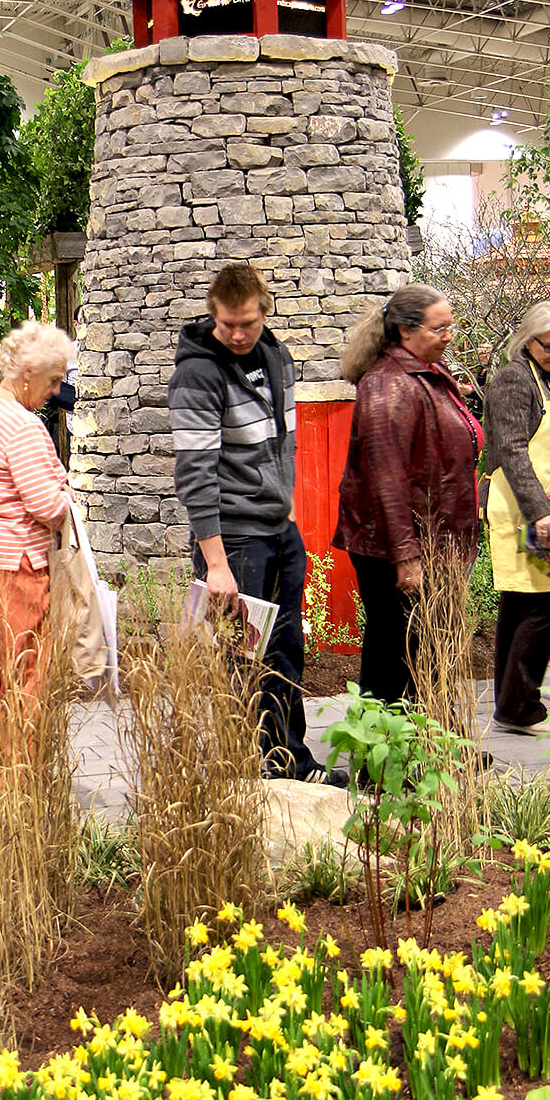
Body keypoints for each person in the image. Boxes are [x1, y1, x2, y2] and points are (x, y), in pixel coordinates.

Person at [168, 262, 347, 787]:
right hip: (235, 540)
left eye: (246, 322)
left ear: (264, 312)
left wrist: (287, 503)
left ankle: (290, 758)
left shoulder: (274, 355)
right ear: (213, 316)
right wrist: (217, 565)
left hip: (277, 529)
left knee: (287, 648)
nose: (237, 334)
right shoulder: (198, 373)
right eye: (227, 325)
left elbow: (282, 438)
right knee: (245, 659)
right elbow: (195, 473)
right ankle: (251, 768)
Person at [332, 285, 483, 707]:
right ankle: (385, 761)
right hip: (398, 548)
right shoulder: (388, 385)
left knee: (428, 651)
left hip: (433, 540)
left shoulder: (424, 373)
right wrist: (406, 555)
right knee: (395, 656)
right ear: (405, 329)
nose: (449, 336)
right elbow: (386, 478)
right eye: (441, 328)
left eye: (450, 326)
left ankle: (435, 748)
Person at [0, 320, 72, 705]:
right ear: (28, 373)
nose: (56, 392)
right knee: (26, 677)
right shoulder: (22, 426)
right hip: (19, 569)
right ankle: (22, 765)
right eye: (53, 380)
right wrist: (66, 496)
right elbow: (47, 507)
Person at [483, 301, 550, 735]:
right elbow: (512, 450)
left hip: (543, 510)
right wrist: (540, 510)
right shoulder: (513, 380)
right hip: (523, 510)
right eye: (549, 346)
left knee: (522, 604)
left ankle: (514, 704)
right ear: (528, 339)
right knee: (540, 606)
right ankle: (520, 707)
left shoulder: (546, 380)